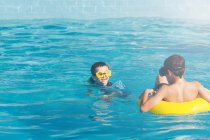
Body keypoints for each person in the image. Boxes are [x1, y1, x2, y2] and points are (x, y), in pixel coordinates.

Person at [140, 54, 210, 112]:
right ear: (184, 70)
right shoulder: (196, 85)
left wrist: (146, 91)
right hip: (192, 122)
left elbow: (143, 109)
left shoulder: (165, 90)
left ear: (169, 72)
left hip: (168, 97)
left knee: (160, 79)